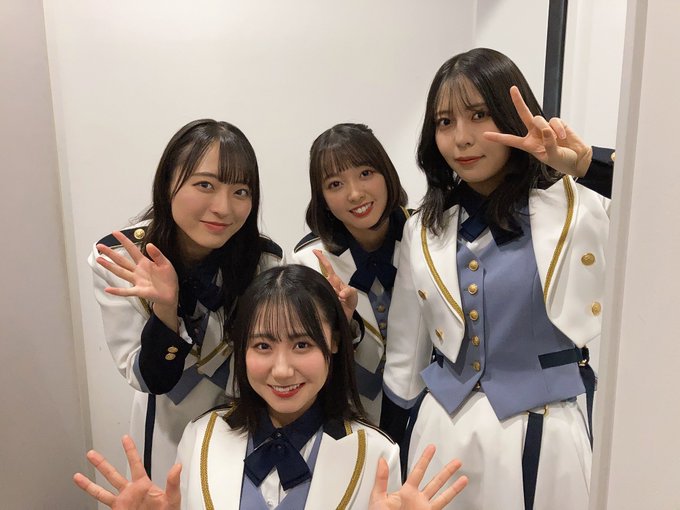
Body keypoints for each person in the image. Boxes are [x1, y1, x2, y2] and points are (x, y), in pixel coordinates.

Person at [382, 48, 609, 510]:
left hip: (545, 431)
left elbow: (662, 207)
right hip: (441, 434)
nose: (461, 138)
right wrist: (389, 452)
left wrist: (587, 165)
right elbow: (405, 355)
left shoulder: (580, 206)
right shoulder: (423, 228)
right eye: (445, 122)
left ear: (512, 116)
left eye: (479, 115)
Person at [74, 265, 469, 509]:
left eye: (302, 345)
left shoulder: (378, 453)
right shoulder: (201, 437)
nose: (282, 370)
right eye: (263, 346)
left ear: (334, 342)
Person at [88, 119, 283, 482]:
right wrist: (166, 308)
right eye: (205, 185)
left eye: (240, 191)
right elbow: (148, 378)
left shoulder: (264, 261)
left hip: (245, 423)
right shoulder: (122, 260)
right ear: (168, 183)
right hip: (167, 427)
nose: (223, 207)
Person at [290, 123, 410, 424]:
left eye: (366, 173)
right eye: (335, 184)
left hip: (429, 410)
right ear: (322, 198)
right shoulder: (308, 262)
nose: (355, 194)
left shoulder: (428, 237)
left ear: (387, 173)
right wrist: (343, 325)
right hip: (349, 417)